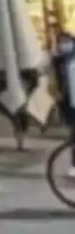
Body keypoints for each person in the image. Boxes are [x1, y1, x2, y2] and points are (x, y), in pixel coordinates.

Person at [53, 30, 75, 177]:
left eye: (66, 41)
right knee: (73, 135)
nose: (63, 45)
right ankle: (73, 166)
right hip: (69, 102)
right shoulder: (59, 60)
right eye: (60, 42)